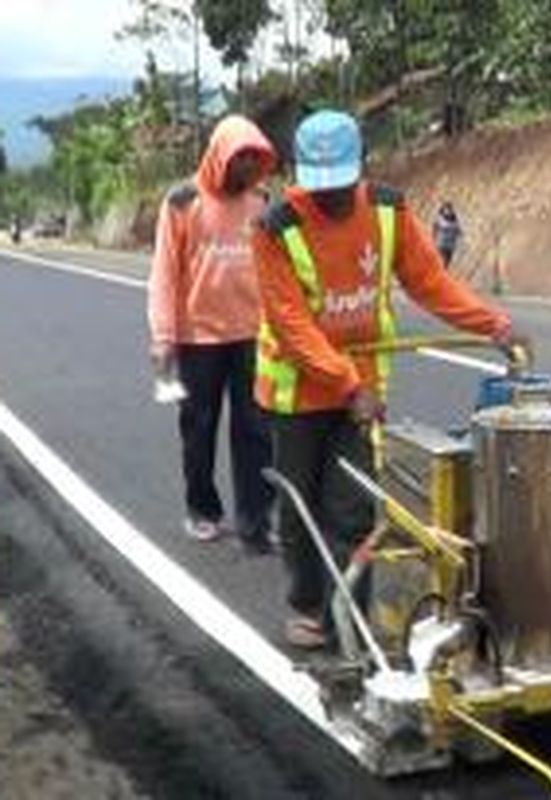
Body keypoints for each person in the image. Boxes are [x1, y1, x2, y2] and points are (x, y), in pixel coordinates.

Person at [252, 110, 523, 649]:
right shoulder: (275, 228)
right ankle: (307, 605)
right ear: (298, 175)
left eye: (340, 186)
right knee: (300, 505)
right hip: (294, 393)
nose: (329, 198)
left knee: (352, 504)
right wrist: (347, 384)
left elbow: (430, 283)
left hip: (361, 390)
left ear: (361, 170)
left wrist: (491, 324)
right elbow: (292, 326)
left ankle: (348, 611)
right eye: (318, 187)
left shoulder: (386, 211)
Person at [147, 114, 277, 553]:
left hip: (252, 335)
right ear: (220, 154)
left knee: (257, 430)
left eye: (254, 158)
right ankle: (203, 510)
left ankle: (256, 519)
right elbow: (165, 272)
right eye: (240, 157)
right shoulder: (183, 202)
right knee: (198, 430)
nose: (246, 166)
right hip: (197, 339)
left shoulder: (261, 201)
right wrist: (163, 335)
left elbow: (277, 269)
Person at [432, 200, 462, 267]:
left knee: (445, 264)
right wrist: (433, 239)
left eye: (450, 209)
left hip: (450, 246)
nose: (449, 211)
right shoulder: (439, 219)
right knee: (438, 262)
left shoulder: (455, 220)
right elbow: (435, 229)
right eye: (447, 209)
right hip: (441, 244)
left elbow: (459, 232)